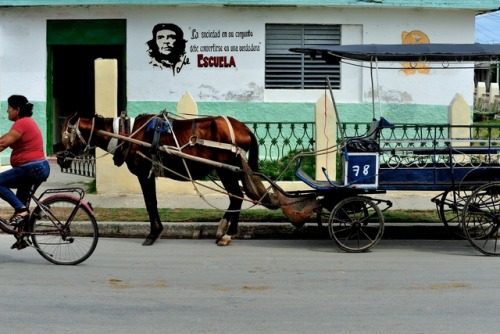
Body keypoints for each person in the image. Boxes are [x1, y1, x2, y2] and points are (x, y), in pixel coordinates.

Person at [0, 95, 50, 227]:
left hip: (31, 169)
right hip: (37, 168)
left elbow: (3, 143)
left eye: (9, 108)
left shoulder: (22, 123)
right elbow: (4, 139)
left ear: (17, 109)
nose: (7, 111)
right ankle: (23, 234)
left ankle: (22, 211)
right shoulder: (26, 122)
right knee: (21, 201)